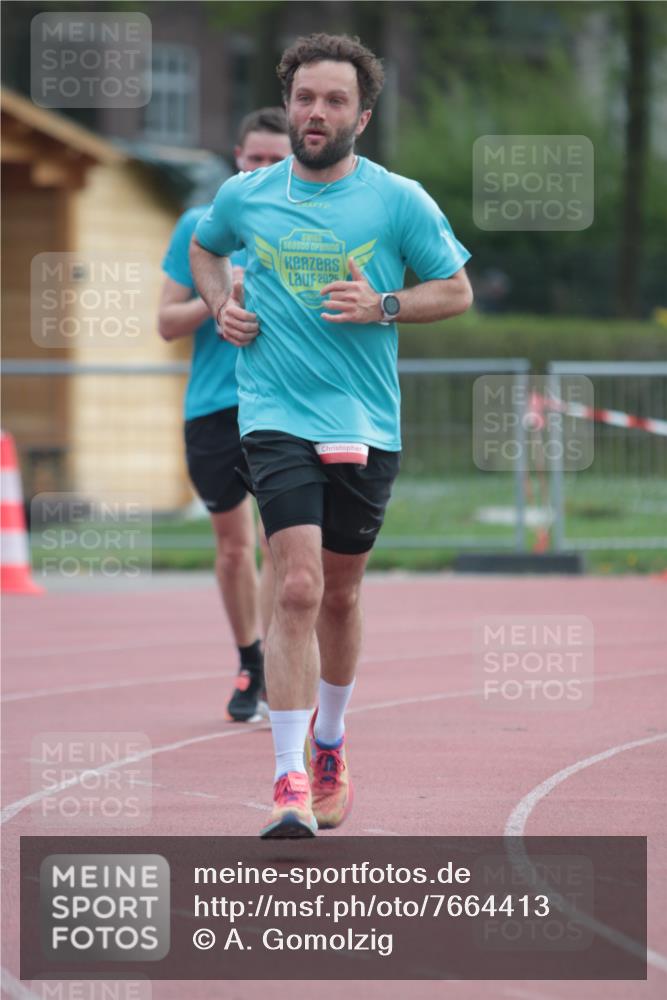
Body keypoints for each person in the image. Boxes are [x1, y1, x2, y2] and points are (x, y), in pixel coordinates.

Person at [190, 33, 473, 837]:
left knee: (341, 595)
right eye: (306, 98)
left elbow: (452, 292)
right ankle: (285, 781)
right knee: (298, 587)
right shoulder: (248, 195)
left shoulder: (397, 200)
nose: (317, 113)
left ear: (363, 114)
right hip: (273, 412)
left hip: (364, 420)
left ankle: (329, 744)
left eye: (335, 101)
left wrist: (383, 304)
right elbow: (206, 252)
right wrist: (220, 306)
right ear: (289, 104)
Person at [158, 108, 291, 722]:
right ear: (236, 158)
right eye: (253, 158)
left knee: (282, 545)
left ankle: (282, 665)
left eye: (275, 159)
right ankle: (251, 661)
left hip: (284, 405)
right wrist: (221, 294)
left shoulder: (302, 223)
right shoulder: (199, 225)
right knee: (236, 548)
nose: (262, 169)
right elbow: (166, 322)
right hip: (214, 408)